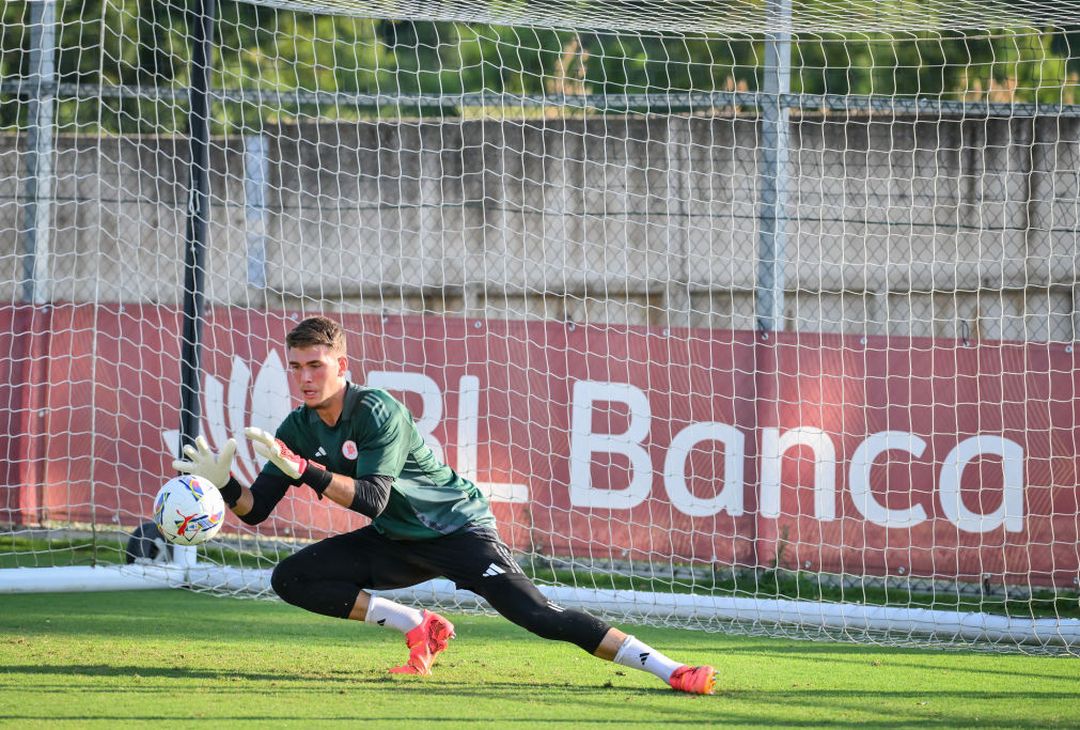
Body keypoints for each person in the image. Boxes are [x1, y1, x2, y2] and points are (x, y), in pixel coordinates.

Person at [173, 315, 716, 694]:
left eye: (315, 364)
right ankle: (419, 626)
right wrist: (222, 485)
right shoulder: (298, 425)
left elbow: (370, 497)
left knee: (537, 615)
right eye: (296, 367)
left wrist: (306, 471)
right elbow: (256, 510)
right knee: (290, 579)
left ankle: (670, 670)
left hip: (456, 530)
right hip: (396, 539)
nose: (305, 377)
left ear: (341, 364)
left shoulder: (377, 410)